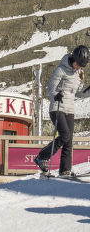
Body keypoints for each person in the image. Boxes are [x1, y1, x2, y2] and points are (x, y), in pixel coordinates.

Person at [36, 45, 90, 176]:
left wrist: (88, 91)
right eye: (78, 64)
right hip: (57, 108)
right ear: (73, 59)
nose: (79, 67)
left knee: (69, 141)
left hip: (69, 109)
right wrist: (56, 95)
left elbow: (78, 93)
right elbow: (50, 88)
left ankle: (65, 170)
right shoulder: (61, 69)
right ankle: (42, 157)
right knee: (65, 135)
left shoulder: (79, 74)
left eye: (82, 66)